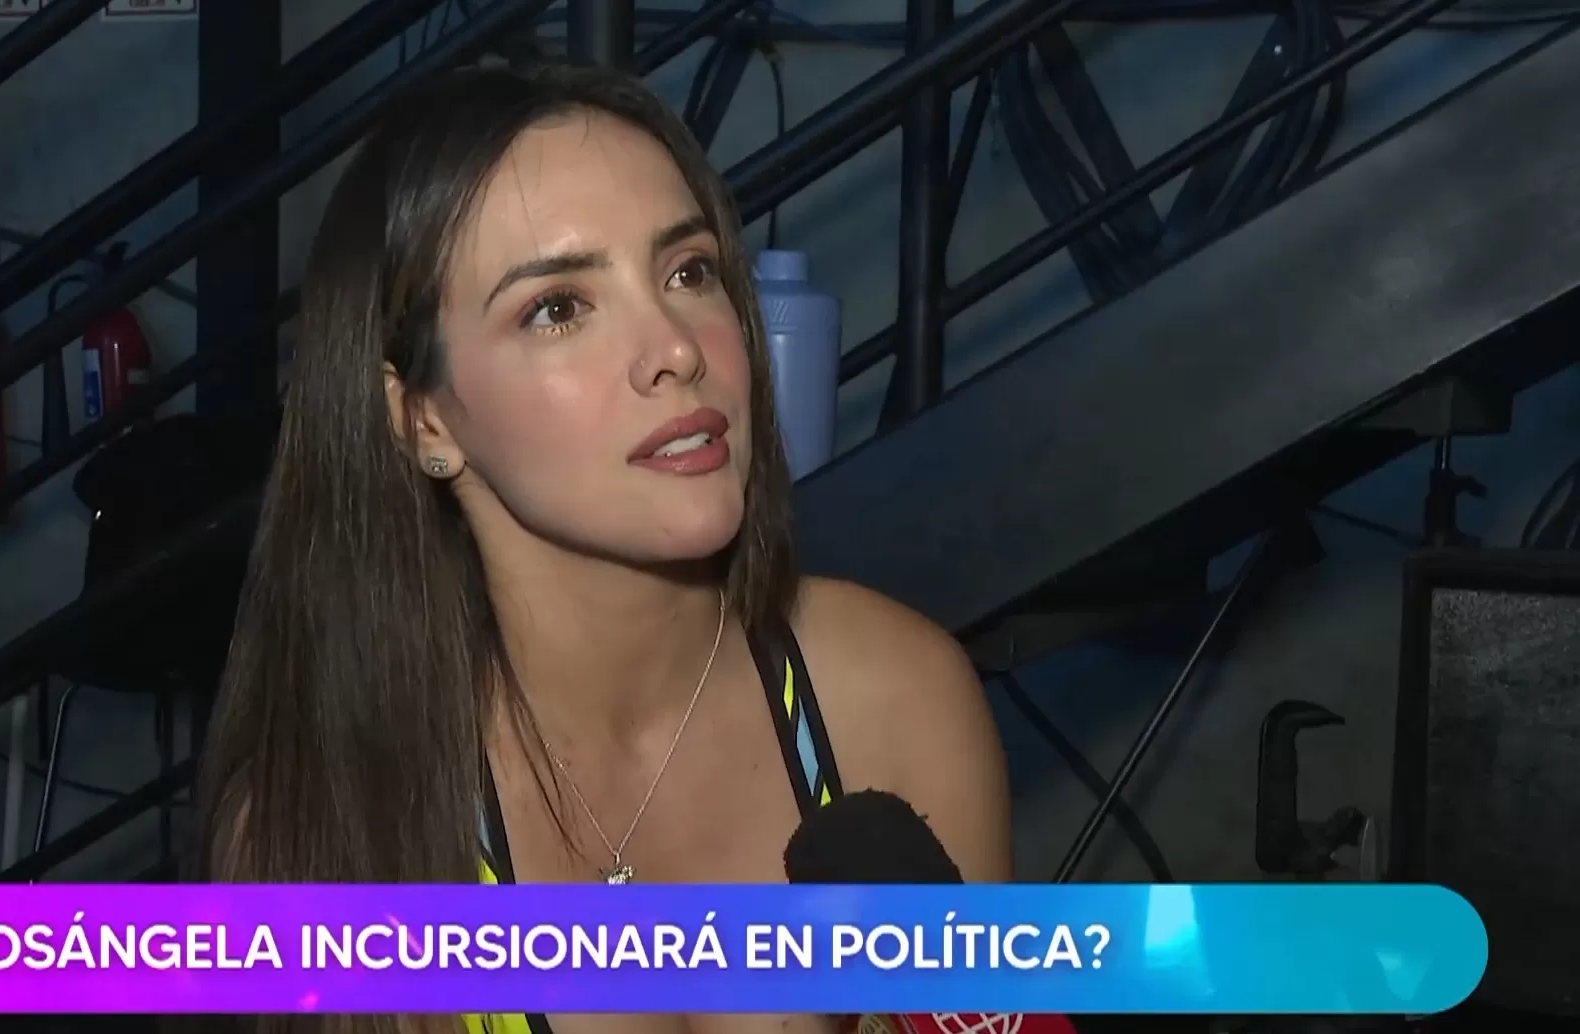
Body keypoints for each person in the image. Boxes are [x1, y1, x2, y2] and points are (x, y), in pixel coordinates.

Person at [197, 59, 1013, 1034]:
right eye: (556, 307)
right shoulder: (318, 838)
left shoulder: (897, 697)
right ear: (421, 419)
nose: (675, 346)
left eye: (688, 271)